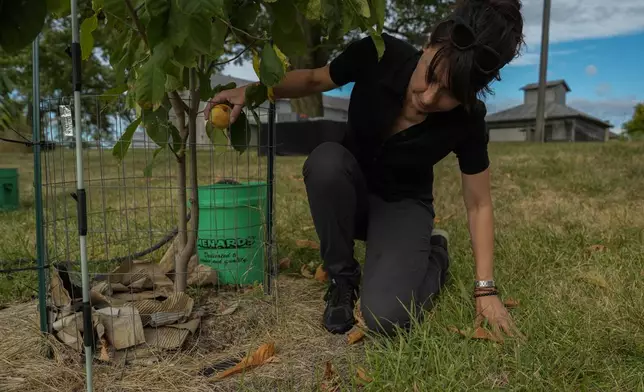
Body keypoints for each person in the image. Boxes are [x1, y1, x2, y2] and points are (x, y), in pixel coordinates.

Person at [206, 0, 525, 338]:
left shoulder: (469, 119)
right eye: (430, 76)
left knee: (387, 317)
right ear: (427, 45)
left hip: (402, 205)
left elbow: (479, 204)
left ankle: (435, 254)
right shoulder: (380, 52)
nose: (429, 97)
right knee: (326, 160)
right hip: (349, 190)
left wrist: (485, 290)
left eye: (450, 93)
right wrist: (250, 91)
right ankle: (342, 280)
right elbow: (314, 79)